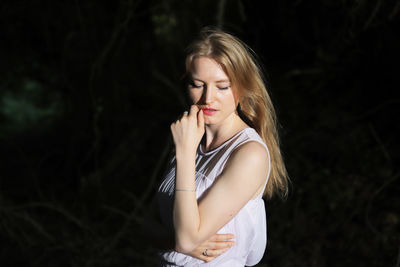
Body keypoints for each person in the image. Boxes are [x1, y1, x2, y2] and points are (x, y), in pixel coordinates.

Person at [156, 28, 289, 266]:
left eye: (222, 86)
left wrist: (185, 154)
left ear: (243, 88)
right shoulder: (189, 138)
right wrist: (172, 240)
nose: (208, 98)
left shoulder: (249, 153)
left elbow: (186, 241)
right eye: (197, 84)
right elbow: (149, 226)